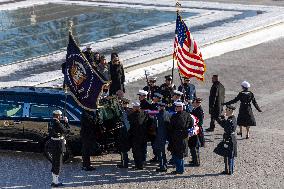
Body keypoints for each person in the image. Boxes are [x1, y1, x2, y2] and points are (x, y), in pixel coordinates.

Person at [168, 102, 193, 174]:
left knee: (177, 154)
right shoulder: (188, 115)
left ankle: (179, 170)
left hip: (176, 137)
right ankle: (180, 169)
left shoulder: (174, 116)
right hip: (184, 136)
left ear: (179, 107)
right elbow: (191, 124)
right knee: (181, 154)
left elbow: (171, 127)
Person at [47, 110, 69, 187]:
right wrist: (66, 122)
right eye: (60, 116)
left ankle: (54, 180)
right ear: (57, 116)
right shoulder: (57, 123)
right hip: (58, 144)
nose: (61, 117)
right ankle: (56, 182)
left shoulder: (50, 122)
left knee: (54, 161)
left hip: (53, 143)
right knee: (58, 163)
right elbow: (66, 131)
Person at [128, 101, 152, 169]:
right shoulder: (145, 113)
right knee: (142, 151)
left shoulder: (132, 116)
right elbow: (149, 122)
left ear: (136, 107)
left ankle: (138, 166)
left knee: (136, 152)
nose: (133, 108)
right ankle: (142, 163)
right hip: (144, 136)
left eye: (134, 107)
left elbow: (130, 126)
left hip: (135, 136)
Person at [214, 105, 237, 175]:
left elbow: (225, 126)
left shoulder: (230, 120)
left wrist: (220, 118)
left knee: (229, 155)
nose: (225, 111)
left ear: (230, 110)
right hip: (231, 138)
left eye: (226, 110)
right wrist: (222, 117)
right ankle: (228, 170)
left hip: (229, 139)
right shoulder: (232, 118)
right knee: (228, 155)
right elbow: (224, 124)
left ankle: (229, 170)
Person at [153, 102, 171, 172]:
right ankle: (164, 163)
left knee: (160, 151)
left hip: (160, 135)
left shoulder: (157, 115)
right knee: (162, 151)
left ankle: (162, 166)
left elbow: (154, 126)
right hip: (166, 135)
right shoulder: (168, 114)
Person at [117, 97, 131, 168]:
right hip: (126, 131)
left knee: (123, 148)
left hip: (125, 131)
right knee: (123, 149)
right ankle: (124, 162)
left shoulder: (124, 111)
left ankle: (124, 164)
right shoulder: (128, 111)